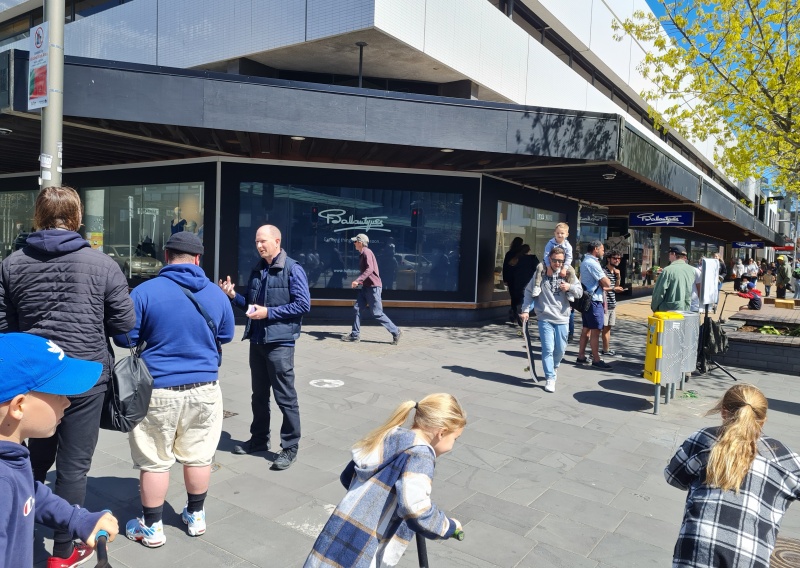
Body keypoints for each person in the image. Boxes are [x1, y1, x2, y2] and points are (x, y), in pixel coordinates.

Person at [0, 186, 135, 567]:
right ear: (76, 219)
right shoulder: (102, 264)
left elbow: (4, 326)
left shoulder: (12, 264)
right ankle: (64, 550)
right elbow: (125, 323)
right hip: (85, 373)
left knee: (30, 455)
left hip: (35, 377)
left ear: (38, 217)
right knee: (74, 466)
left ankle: (19, 527)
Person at [116, 232, 235, 548]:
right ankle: (196, 516)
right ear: (198, 259)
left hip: (157, 391)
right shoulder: (216, 294)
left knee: (154, 460)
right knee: (199, 456)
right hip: (205, 389)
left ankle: (152, 527)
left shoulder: (145, 292)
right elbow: (225, 336)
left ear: (166, 256)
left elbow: (125, 338)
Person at [305, 393, 466, 568]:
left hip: (336, 535)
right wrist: (449, 526)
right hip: (362, 550)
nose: (452, 446)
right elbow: (416, 510)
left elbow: (348, 476)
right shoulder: (421, 454)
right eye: (455, 439)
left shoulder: (389, 435)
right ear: (442, 433)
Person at [0, 332, 119, 568]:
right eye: (59, 394)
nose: (67, 402)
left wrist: (78, 519)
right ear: (19, 406)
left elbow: (29, 493)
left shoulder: (12, 451)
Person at [665, 384, 800, 567]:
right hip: (750, 557)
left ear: (723, 412)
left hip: (696, 548)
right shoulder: (784, 457)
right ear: (763, 420)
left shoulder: (703, 438)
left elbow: (673, 477)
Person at [219, 225, 310, 470]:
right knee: (258, 396)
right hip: (257, 341)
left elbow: (303, 305)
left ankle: (290, 446)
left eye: (263, 241)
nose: (259, 245)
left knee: (285, 397)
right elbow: (252, 308)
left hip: (280, 344)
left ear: (277, 241)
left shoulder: (293, 269)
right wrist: (232, 296)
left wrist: (269, 312)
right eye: (257, 242)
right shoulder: (258, 269)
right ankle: (259, 439)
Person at [520, 246, 581, 393]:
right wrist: (525, 310)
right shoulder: (541, 272)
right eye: (554, 260)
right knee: (548, 349)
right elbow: (529, 291)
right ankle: (550, 378)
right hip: (545, 317)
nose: (557, 264)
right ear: (549, 259)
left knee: (560, 349)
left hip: (563, 318)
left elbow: (579, 292)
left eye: (560, 261)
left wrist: (570, 287)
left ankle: (554, 367)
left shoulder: (568, 273)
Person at [341, 234, 402, 345]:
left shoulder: (366, 252)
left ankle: (396, 331)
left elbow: (370, 269)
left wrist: (358, 280)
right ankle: (355, 335)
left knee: (377, 313)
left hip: (373, 287)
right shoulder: (363, 253)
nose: (354, 243)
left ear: (360, 242)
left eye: (355, 241)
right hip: (366, 287)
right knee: (357, 309)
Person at [576, 241, 612, 369]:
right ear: (596, 249)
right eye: (602, 249)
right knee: (596, 331)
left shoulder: (585, 261)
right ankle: (596, 359)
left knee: (586, 329)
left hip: (588, 300)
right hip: (594, 300)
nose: (603, 252)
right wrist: (606, 280)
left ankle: (581, 356)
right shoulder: (592, 263)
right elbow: (607, 283)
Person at [650, 245, 697, 313]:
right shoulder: (691, 270)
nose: (669, 256)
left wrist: (654, 307)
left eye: (669, 254)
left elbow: (659, 292)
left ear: (674, 254)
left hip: (669, 310)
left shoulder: (667, 270)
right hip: (686, 308)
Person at [530, 223, 573, 295]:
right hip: (550, 262)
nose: (559, 235)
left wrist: (565, 268)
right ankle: (537, 286)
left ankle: (569, 290)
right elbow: (546, 255)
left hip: (562, 263)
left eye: (562, 233)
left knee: (572, 271)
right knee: (539, 267)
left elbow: (569, 258)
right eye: (558, 233)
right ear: (554, 233)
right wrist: (548, 267)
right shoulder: (550, 243)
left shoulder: (568, 246)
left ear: (567, 234)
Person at [601, 251, 625, 357]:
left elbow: (616, 286)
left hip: (612, 304)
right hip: (604, 304)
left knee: (608, 328)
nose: (617, 260)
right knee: (599, 329)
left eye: (619, 258)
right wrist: (614, 289)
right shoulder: (603, 271)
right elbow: (601, 287)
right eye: (615, 258)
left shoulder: (615, 272)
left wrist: (618, 276)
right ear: (608, 259)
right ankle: (595, 351)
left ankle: (606, 349)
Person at [509, 245, 539, 323]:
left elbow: (511, 269)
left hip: (517, 282)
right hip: (528, 282)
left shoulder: (516, 259)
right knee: (531, 300)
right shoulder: (532, 258)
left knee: (521, 299)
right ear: (529, 250)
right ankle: (520, 312)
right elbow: (538, 269)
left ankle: (515, 311)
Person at [502, 237, 524, 322]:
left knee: (513, 296)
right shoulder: (521, 254)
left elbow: (505, 267)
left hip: (511, 278)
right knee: (520, 295)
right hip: (520, 279)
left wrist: (505, 278)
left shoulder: (509, 253)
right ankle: (517, 311)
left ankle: (514, 310)